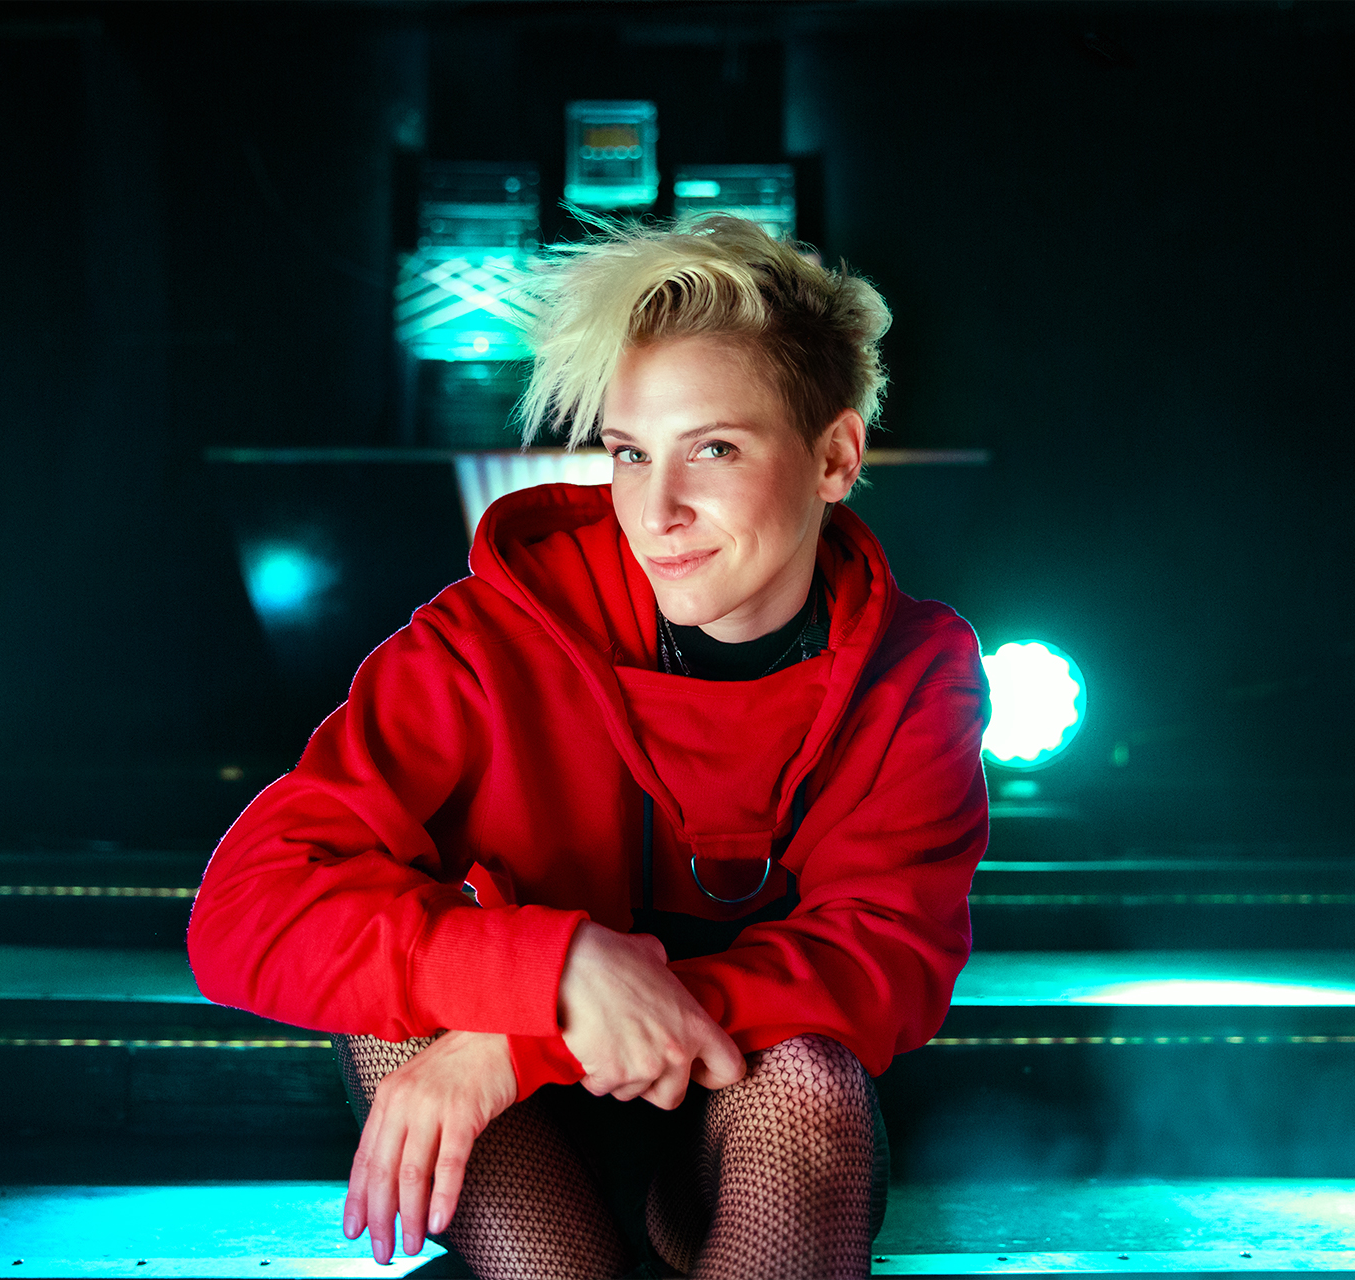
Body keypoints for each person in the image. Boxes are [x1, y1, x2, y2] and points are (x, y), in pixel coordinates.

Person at [186, 215, 990, 1279]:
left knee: (809, 1075)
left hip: (735, 1131)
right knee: (391, 1015)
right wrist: (555, 969)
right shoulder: (484, 639)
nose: (658, 510)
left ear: (835, 455)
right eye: (630, 453)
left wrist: (528, 1034)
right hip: (524, 1146)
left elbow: (881, 963)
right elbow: (245, 912)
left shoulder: (917, 670)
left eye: (714, 448)